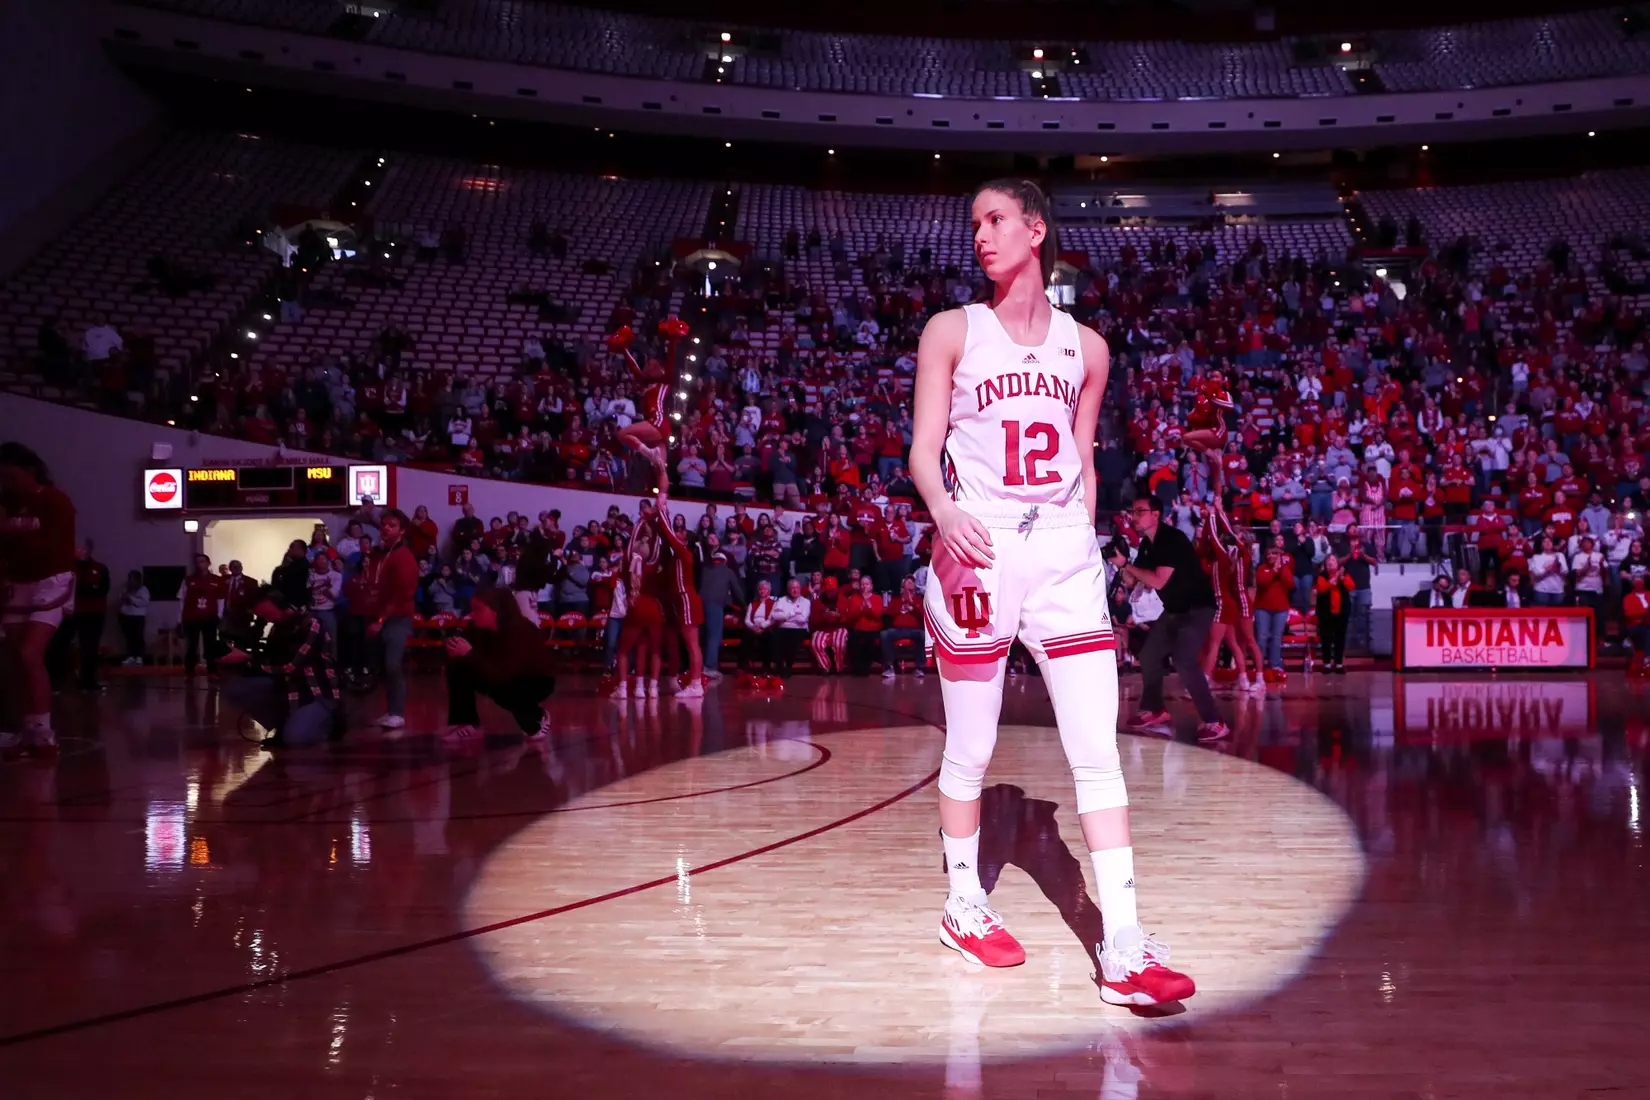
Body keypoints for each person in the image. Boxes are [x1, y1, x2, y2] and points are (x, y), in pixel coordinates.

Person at [909, 179, 1193, 1005]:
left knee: (1097, 751)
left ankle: (1127, 949)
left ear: (1036, 229)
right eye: (974, 225)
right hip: (979, 548)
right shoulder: (952, 330)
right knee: (972, 747)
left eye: (996, 220)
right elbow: (925, 451)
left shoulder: (1089, 348)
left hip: (1064, 554)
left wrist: (1083, 537)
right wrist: (944, 509)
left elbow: (1084, 457)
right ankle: (964, 903)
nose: (981, 237)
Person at [1118, 496, 1227, 742]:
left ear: (1156, 513)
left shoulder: (1172, 539)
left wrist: (1127, 565)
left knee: (1184, 659)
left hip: (1197, 607)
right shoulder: (1147, 545)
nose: (1134, 516)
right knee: (1148, 655)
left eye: (1140, 511)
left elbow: (1157, 580)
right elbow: (1132, 581)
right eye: (1133, 512)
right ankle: (1155, 709)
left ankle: (1215, 721)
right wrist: (1121, 563)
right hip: (1174, 609)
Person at [0, 443, 76, 761]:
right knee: (14, 661)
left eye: (11, 475)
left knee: (29, 654)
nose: (7, 482)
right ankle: (24, 731)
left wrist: (13, 530)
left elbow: (52, 546)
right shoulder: (7, 502)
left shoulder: (55, 501)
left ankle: (45, 733)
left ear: (29, 471)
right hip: (17, 581)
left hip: (51, 580)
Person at [219, 586, 341, 749]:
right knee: (235, 689)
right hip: (289, 691)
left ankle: (327, 723)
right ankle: (283, 724)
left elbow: (290, 666)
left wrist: (248, 658)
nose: (266, 619)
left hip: (316, 692)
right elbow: (270, 661)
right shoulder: (277, 629)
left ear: (279, 603)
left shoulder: (311, 624)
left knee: (294, 739)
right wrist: (243, 660)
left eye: (266, 613)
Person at [442, 586, 556, 745]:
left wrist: (469, 654)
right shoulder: (476, 629)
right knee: (457, 665)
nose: (473, 614)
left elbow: (505, 673)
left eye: (478, 609)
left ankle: (536, 717)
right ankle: (468, 724)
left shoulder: (519, 630)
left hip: (534, 679)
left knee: (505, 690)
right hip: (499, 672)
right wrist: (453, 647)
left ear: (495, 611)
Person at [634, 450, 706, 697]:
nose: (680, 533)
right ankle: (690, 682)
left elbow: (666, 530)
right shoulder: (675, 553)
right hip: (680, 598)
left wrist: (662, 504)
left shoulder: (685, 552)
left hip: (687, 598)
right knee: (685, 642)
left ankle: (696, 684)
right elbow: (661, 535)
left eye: (683, 532)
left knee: (692, 644)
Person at [363, 509, 419, 730]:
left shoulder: (403, 557)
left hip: (396, 618)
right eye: (384, 524)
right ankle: (390, 710)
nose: (386, 528)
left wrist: (380, 619)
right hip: (381, 616)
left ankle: (397, 713)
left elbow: (402, 594)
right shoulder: (380, 555)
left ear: (402, 531)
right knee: (383, 666)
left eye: (392, 525)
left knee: (393, 664)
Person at [48, 540, 110, 693]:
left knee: (90, 647)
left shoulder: (100, 568)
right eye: (77, 548)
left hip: (93, 614)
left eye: (84, 548)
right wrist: (87, 588)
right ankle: (54, 682)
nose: (81, 551)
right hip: (70, 612)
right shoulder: (67, 569)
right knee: (58, 645)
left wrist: (84, 589)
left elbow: (102, 590)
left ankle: (88, 682)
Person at [697, 550, 745, 680]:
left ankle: (697, 667)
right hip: (715, 605)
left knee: (701, 638)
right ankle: (709, 668)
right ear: (725, 561)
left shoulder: (705, 570)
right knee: (714, 637)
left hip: (698, 605)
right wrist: (744, 606)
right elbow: (737, 592)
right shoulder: (728, 572)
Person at [1253, 536, 1294, 676]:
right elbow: (1262, 582)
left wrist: (1281, 569)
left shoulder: (1285, 569)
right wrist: (1274, 570)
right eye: (1269, 553)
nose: (1271, 556)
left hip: (1280, 609)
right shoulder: (1262, 568)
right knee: (1261, 638)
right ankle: (1259, 665)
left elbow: (1289, 584)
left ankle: (1275, 665)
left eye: (1274, 553)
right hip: (1262, 608)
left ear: (1279, 555)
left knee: (1277, 638)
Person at [180, 552, 224, 677]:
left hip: (210, 617)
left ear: (208, 563)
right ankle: (189, 670)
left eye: (202, 562)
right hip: (191, 617)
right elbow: (182, 599)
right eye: (197, 562)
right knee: (192, 644)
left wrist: (218, 616)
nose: (200, 565)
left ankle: (212, 669)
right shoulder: (188, 580)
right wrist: (179, 619)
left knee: (210, 644)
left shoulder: (217, 580)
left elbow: (220, 599)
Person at [1314, 554, 1356, 673]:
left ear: (1337, 563)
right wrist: (1335, 578)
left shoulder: (1344, 575)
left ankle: (1338, 664)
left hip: (1341, 612)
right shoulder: (1321, 576)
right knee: (1326, 638)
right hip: (1325, 612)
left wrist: (1341, 577)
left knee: (1340, 638)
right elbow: (1323, 588)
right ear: (1325, 565)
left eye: (1333, 560)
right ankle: (1327, 664)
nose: (1331, 562)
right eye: (1328, 561)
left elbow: (1351, 586)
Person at [880, 575, 926, 681]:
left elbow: (923, 615)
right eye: (907, 582)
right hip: (898, 630)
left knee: (922, 635)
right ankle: (889, 667)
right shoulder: (896, 600)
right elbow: (888, 612)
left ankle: (919, 668)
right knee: (885, 634)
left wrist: (912, 606)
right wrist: (900, 605)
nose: (910, 584)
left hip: (914, 630)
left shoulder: (918, 600)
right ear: (903, 586)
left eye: (911, 582)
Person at [770, 577, 811, 677]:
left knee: (793, 638)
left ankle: (788, 666)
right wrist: (792, 614)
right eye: (792, 588)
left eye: (797, 588)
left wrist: (784, 616)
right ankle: (779, 663)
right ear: (788, 590)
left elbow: (803, 619)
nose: (795, 590)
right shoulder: (781, 600)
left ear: (800, 589)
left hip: (799, 629)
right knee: (775, 636)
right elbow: (775, 616)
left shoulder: (806, 602)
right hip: (783, 628)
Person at [741, 579, 777, 675]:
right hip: (753, 627)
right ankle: (743, 666)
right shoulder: (752, 604)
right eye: (760, 589)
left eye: (764, 589)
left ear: (768, 591)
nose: (762, 591)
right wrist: (753, 627)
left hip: (766, 627)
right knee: (746, 638)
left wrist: (761, 626)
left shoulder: (773, 603)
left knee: (767, 639)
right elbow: (747, 619)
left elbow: (772, 619)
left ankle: (767, 666)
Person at [117, 568, 150, 666]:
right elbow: (120, 597)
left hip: (138, 616)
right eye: (129, 579)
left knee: (138, 637)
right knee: (129, 637)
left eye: (132, 579)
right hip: (126, 615)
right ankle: (131, 656)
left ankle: (139, 657)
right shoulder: (125, 588)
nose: (130, 581)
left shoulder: (143, 590)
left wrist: (131, 599)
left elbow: (144, 602)